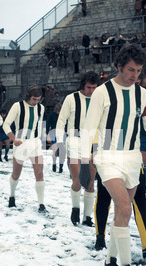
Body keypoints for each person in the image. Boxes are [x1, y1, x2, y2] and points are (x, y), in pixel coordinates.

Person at [79, 44, 146, 266]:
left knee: (121, 214)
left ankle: (110, 260)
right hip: (107, 157)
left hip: (132, 159)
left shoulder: (142, 94)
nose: (134, 75)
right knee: (125, 208)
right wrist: (86, 161)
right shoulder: (102, 92)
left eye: (138, 71)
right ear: (119, 66)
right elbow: (89, 127)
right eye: (130, 69)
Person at [56, 71, 100, 227]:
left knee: (90, 183)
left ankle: (87, 217)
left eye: (95, 87)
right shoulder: (71, 99)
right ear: (83, 85)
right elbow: (61, 122)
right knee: (77, 181)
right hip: (74, 141)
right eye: (89, 87)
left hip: (93, 143)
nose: (92, 91)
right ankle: (75, 208)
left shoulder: (100, 99)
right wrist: (59, 143)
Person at [3, 85, 47, 212]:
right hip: (20, 143)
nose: (36, 102)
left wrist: (41, 137)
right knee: (16, 174)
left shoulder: (41, 108)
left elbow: (39, 124)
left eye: (38, 99)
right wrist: (13, 138)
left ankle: (41, 204)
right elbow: (6, 124)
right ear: (28, 96)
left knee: (39, 173)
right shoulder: (17, 106)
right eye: (34, 99)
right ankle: (12, 196)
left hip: (35, 142)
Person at [46, 103, 65, 173]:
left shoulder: (64, 116)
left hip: (62, 134)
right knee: (55, 150)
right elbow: (48, 124)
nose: (59, 112)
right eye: (58, 111)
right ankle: (54, 164)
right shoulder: (52, 115)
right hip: (53, 133)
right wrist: (48, 134)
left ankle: (61, 166)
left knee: (62, 151)